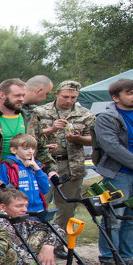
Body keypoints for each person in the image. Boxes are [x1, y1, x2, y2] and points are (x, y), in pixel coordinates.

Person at [91, 78, 133, 265]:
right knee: (113, 218)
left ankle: (126, 258)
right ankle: (108, 259)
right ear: (115, 97)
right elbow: (112, 148)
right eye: (130, 93)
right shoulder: (105, 118)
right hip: (119, 174)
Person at [34, 81, 95, 234]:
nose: (69, 101)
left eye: (73, 97)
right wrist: (52, 129)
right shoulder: (40, 112)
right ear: (57, 94)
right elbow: (29, 136)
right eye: (65, 96)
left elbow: (94, 139)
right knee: (40, 202)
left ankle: (59, 240)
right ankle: (37, 237)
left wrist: (79, 139)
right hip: (44, 164)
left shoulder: (85, 114)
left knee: (68, 206)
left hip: (71, 165)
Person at [0, 78, 57, 170]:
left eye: (23, 95)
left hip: (27, 175)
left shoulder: (30, 118)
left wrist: (51, 170)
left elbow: (41, 149)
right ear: (2, 95)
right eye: (17, 95)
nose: (22, 99)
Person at [0, 134, 52, 219]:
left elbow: (45, 189)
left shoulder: (36, 166)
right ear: (14, 150)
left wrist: (37, 169)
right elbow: (2, 191)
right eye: (25, 148)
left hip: (38, 210)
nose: (30, 151)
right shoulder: (7, 166)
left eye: (33, 148)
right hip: (18, 213)